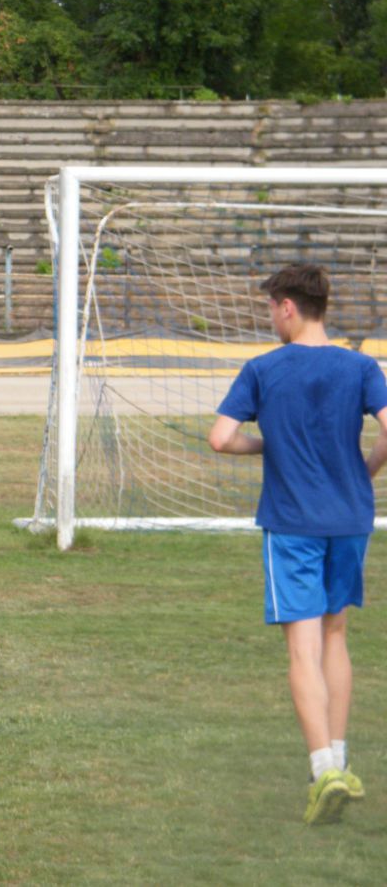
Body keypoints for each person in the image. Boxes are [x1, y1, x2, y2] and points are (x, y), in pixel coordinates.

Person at [209, 263, 387, 826]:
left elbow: (220, 438)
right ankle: (340, 759)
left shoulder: (263, 369)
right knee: (336, 635)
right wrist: (368, 470)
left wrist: (268, 444)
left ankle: (322, 771)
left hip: (292, 522)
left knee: (302, 647)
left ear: (286, 306)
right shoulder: (362, 366)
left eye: (270, 307)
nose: (270, 317)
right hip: (350, 518)